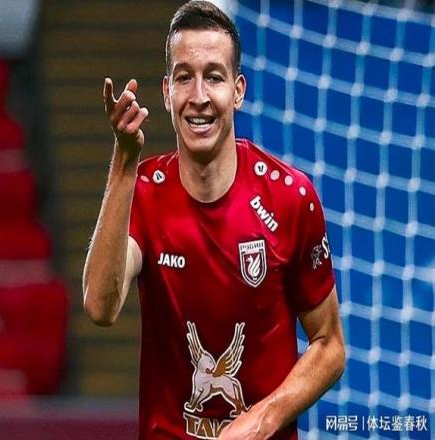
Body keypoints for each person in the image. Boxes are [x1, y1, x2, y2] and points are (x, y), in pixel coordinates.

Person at [83, 1, 345, 439]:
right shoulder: (142, 192)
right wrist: (125, 162)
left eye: (214, 77)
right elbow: (100, 307)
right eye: (184, 77)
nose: (199, 97)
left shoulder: (289, 198)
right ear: (167, 91)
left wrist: (263, 419)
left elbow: (330, 345)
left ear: (238, 91)